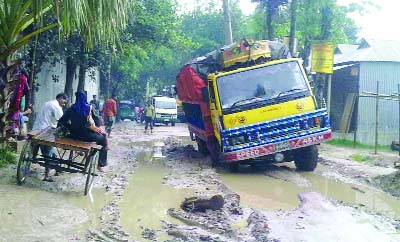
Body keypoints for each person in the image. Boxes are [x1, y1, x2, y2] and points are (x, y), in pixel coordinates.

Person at [58, 91, 108, 172]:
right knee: (103, 139)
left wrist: (70, 127)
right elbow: (98, 122)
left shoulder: (72, 108)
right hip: (88, 136)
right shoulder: (90, 107)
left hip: (74, 135)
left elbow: (62, 121)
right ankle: (100, 164)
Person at [32, 93, 69, 182]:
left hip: (36, 129)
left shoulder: (47, 103)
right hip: (46, 131)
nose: (64, 104)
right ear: (60, 98)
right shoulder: (56, 107)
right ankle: (47, 176)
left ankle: (57, 167)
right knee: (47, 152)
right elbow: (62, 120)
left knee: (48, 151)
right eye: (64, 102)